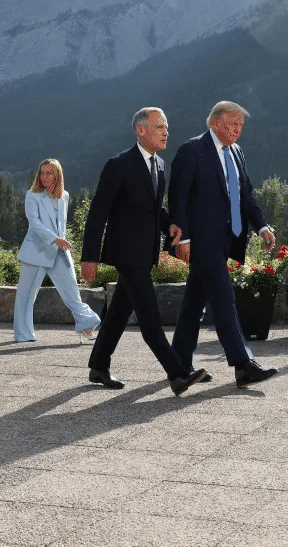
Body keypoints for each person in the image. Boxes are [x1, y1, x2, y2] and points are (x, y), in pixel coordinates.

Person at [81, 107, 207, 397]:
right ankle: (177, 373)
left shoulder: (159, 165)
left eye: (166, 127)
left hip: (145, 253)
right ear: (140, 130)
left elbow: (153, 208)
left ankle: (98, 365)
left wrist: (169, 225)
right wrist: (90, 257)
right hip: (126, 253)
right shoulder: (118, 165)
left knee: (119, 312)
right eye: (159, 127)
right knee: (150, 317)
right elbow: (97, 213)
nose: (166, 132)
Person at [169, 101, 279, 387]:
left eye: (240, 125)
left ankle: (178, 364)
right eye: (233, 124)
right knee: (223, 298)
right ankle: (243, 365)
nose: (237, 130)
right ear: (216, 123)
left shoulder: (236, 152)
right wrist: (184, 238)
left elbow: (246, 195)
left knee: (194, 302)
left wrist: (262, 226)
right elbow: (178, 197)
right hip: (200, 240)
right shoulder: (192, 150)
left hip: (226, 239)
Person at [13, 159, 102, 343]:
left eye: (49, 173)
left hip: (59, 251)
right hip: (35, 251)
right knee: (26, 296)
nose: (44, 176)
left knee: (71, 291)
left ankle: (85, 324)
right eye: (42, 173)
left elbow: (61, 224)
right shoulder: (32, 195)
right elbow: (35, 223)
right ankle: (23, 334)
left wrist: (60, 241)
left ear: (57, 176)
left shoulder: (64, 196)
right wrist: (55, 239)